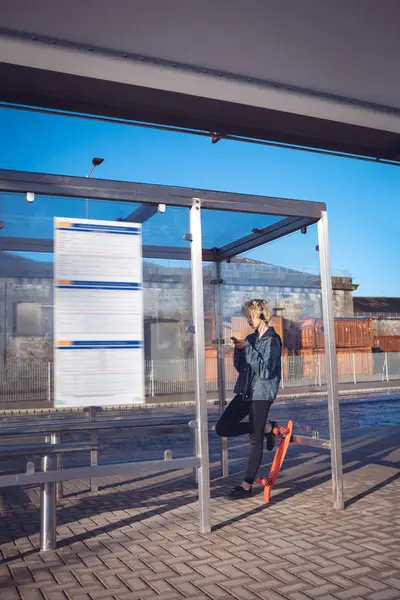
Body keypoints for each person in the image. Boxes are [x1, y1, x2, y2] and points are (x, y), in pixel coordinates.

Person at [216, 299, 282, 499]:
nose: (249, 320)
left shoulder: (273, 340)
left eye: (251, 316)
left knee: (255, 440)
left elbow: (264, 371)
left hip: (261, 394)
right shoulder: (250, 338)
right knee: (223, 427)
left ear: (262, 315)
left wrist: (249, 350)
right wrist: (239, 351)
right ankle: (266, 428)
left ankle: (247, 485)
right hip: (245, 392)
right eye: (247, 317)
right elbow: (243, 368)